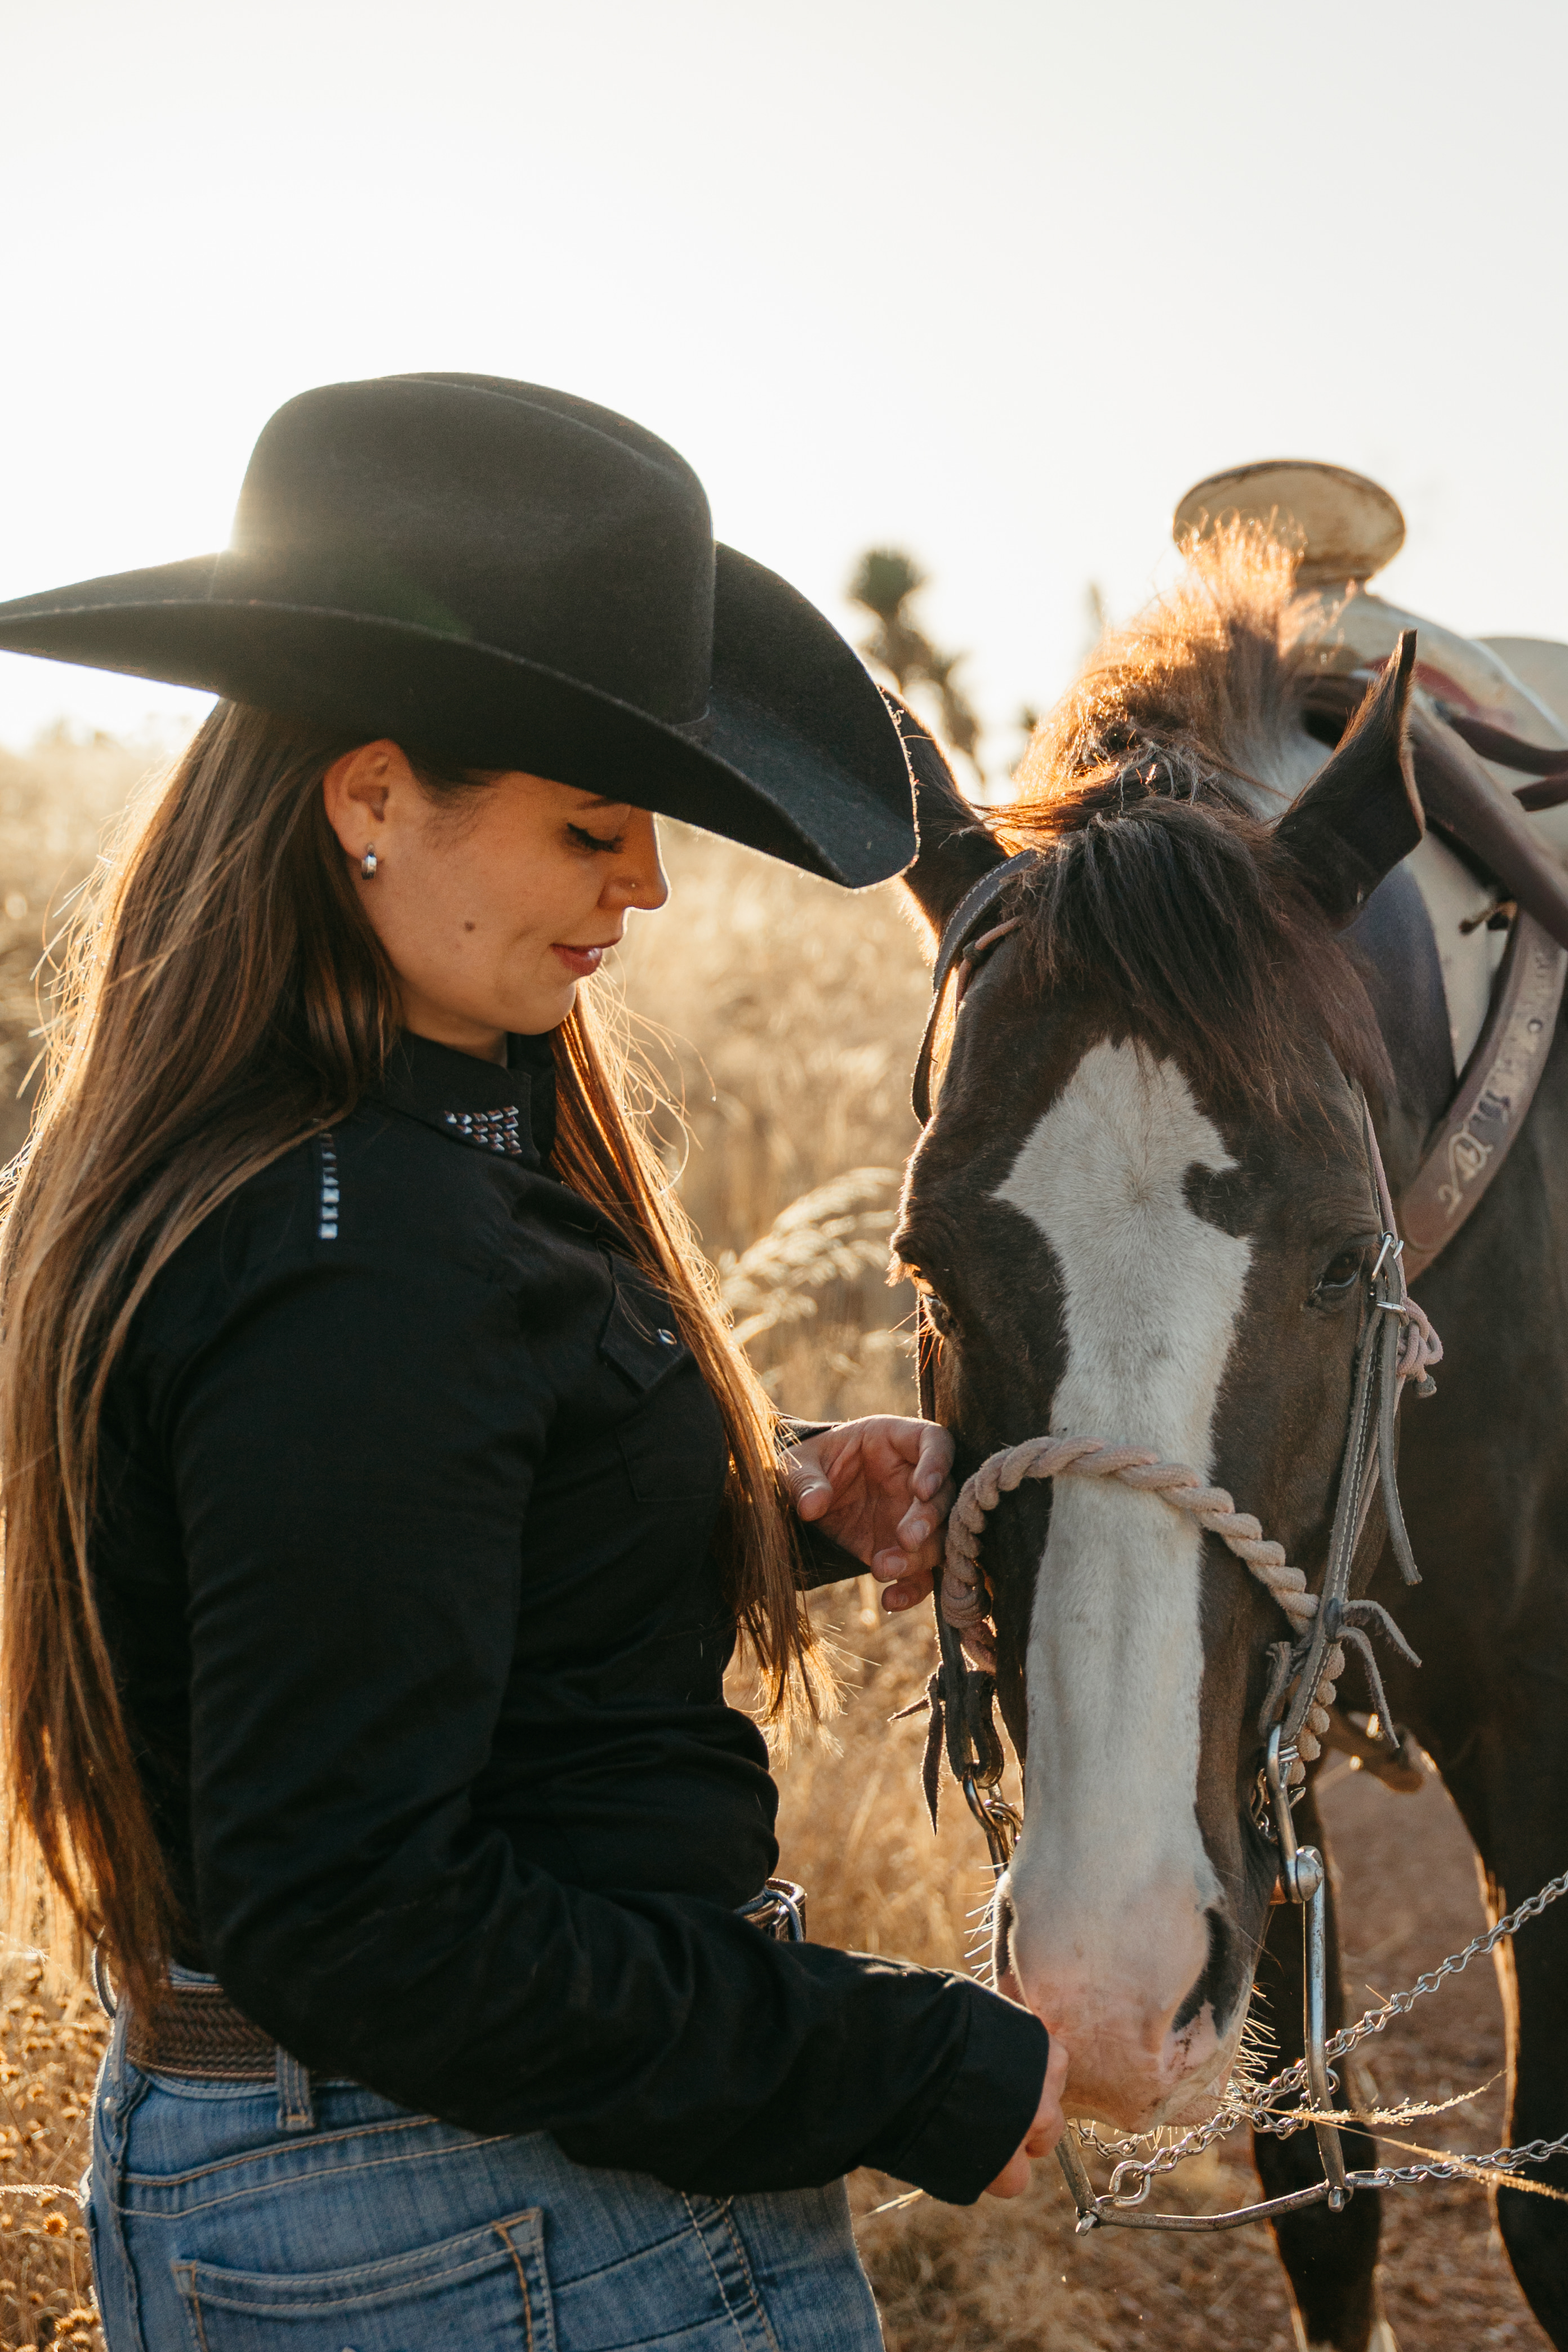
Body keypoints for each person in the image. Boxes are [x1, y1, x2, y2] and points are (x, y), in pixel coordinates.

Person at [0, 375, 1064, 2350]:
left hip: (432, 2191)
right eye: (590, 825)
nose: (642, 883)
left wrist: (769, 1502)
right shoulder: (357, 1253)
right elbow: (360, 1918)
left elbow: (415, 1533)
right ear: (370, 800)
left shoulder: (362, 1175)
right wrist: (897, 2061)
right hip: (470, 2208)